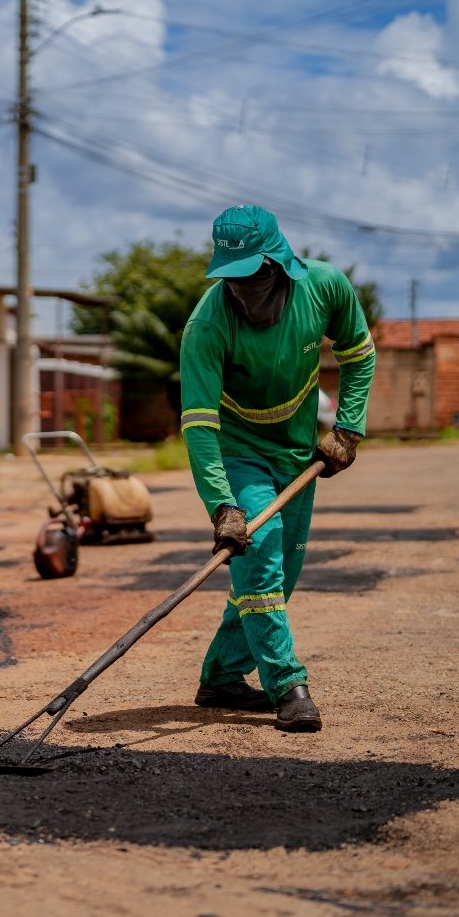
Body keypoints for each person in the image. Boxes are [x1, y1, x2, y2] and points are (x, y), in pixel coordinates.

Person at [179, 205, 376, 732]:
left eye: (252, 277)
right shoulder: (207, 325)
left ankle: (221, 675)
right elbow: (199, 425)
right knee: (258, 552)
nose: (242, 291)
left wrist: (347, 429)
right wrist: (222, 506)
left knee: (279, 574)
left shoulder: (325, 288)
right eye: (232, 279)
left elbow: (360, 355)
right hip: (237, 450)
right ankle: (288, 686)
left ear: (277, 265)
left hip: (295, 453)